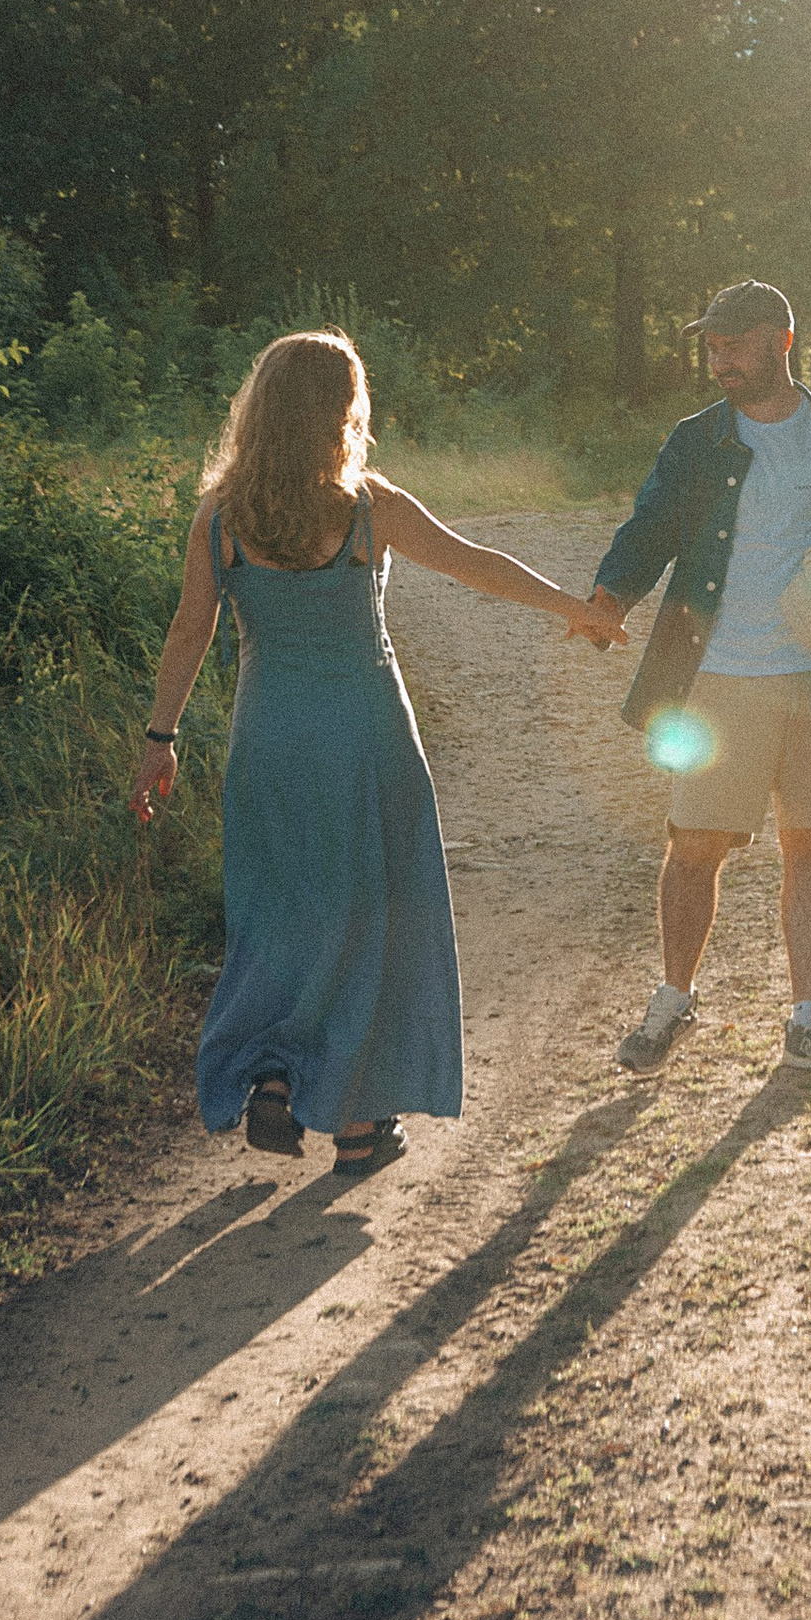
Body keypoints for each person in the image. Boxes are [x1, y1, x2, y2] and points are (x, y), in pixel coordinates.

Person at [130, 327, 599, 1177]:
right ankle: (357, 1125)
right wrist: (576, 606)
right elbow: (477, 566)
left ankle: (274, 1075)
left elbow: (189, 629)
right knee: (374, 918)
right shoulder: (368, 508)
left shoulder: (221, 518)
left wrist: (160, 739)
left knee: (278, 916)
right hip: (367, 736)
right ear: (340, 413)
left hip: (270, 741)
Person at [573, 280, 811, 1086]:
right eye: (712, 347)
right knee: (694, 846)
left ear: (782, 341)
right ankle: (673, 1001)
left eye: (734, 345)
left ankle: (809, 1020)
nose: (720, 361)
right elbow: (650, 527)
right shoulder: (696, 441)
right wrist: (609, 597)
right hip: (718, 680)